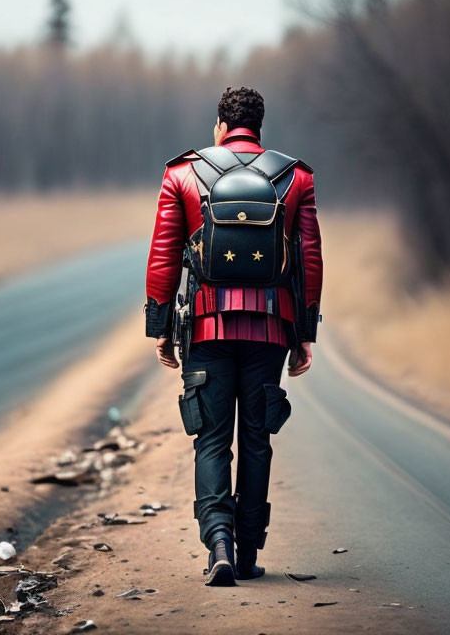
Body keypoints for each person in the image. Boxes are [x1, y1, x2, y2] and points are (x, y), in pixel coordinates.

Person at [145, 86, 323, 586]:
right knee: (257, 439)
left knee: (211, 438)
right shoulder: (296, 178)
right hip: (270, 329)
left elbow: (162, 257)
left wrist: (160, 330)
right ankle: (247, 554)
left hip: (205, 327)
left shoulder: (181, 173)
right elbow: (310, 260)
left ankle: (217, 544)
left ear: (220, 126)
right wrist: (304, 333)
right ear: (259, 128)